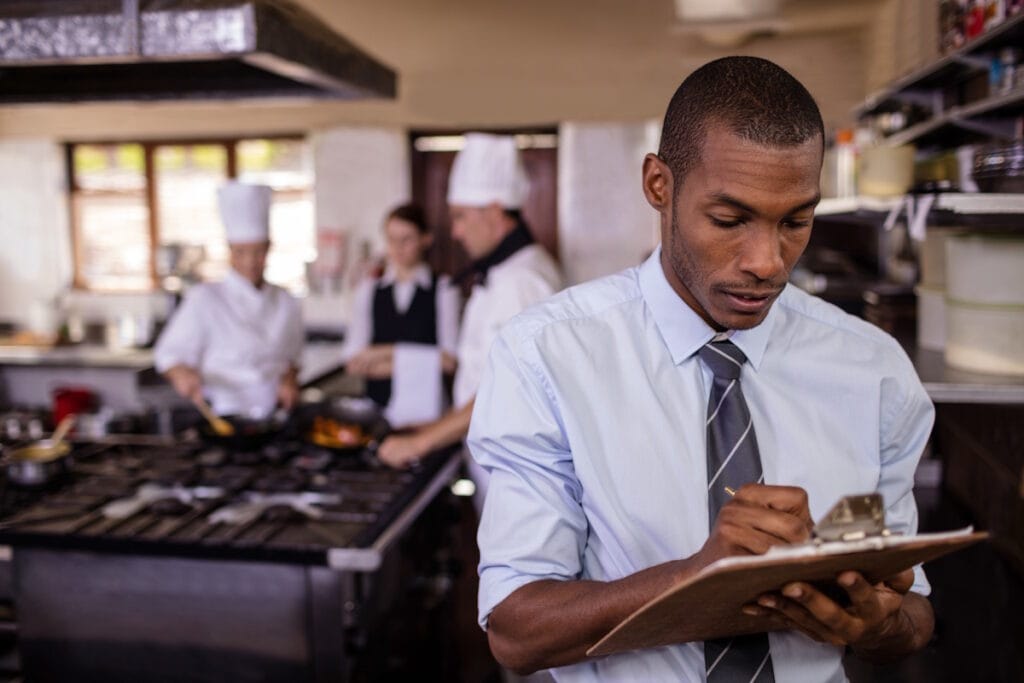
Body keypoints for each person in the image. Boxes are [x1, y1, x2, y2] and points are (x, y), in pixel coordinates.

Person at [469, 57, 935, 682]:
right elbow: (516, 632)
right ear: (659, 185)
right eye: (730, 220)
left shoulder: (873, 370)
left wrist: (875, 623)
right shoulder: (547, 357)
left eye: (796, 221)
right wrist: (702, 579)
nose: (768, 262)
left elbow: (913, 614)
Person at [377, 134, 562, 497]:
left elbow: (506, 392)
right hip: (496, 468)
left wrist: (421, 442)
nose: (457, 231)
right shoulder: (502, 271)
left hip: (522, 479)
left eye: (461, 217)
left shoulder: (524, 280)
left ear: (494, 211)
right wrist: (437, 425)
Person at [154, 181, 304, 418]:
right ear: (229, 251)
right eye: (242, 252)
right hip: (222, 415)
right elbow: (169, 354)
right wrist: (181, 374)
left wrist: (289, 380)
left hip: (275, 414)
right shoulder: (205, 298)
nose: (251, 262)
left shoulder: (285, 300)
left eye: (259, 252)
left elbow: (292, 357)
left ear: (269, 249)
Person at [341, 203, 461, 425]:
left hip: (429, 416)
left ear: (426, 239)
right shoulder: (368, 290)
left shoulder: (444, 289)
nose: (398, 248)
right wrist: (423, 360)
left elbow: (449, 361)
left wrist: (383, 353)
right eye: (391, 239)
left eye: (406, 239)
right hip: (377, 411)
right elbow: (354, 361)